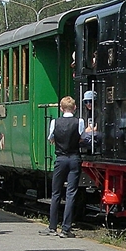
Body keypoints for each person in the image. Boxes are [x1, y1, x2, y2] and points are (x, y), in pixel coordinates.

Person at [44, 95, 81, 238]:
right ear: (75, 108)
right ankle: (66, 229)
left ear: (61, 108)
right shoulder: (80, 122)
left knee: (56, 193)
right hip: (74, 158)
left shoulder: (55, 122)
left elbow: (51, 138)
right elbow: (82, 137)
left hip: (60, 159)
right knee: (71, 193)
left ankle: (52, 227)